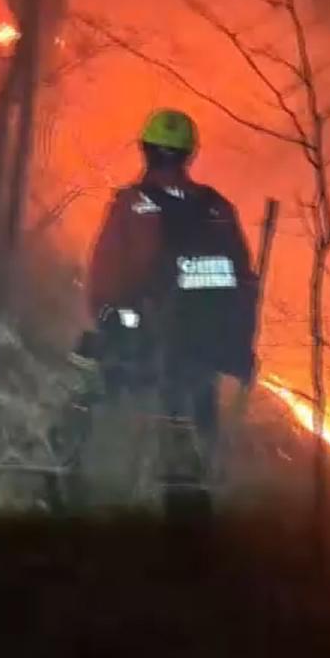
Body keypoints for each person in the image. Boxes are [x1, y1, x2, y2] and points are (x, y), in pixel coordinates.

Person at [84, 108, 260, 514]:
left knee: (132, 426)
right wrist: (238, 349)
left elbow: (106, 277)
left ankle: (125, 501)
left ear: (146, 151)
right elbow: (243, 284)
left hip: (150, 346)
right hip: (207, 351)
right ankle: (195, 515)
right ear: (189, 155)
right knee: (197, 438)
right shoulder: (218, 209)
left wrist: (112, 320)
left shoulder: (133, 206)